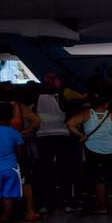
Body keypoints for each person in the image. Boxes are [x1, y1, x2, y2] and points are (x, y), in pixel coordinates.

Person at [0, 83, 41, 222]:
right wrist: (27, 131)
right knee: (25, 180)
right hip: (17, 148)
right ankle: (30, 211)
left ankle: (0, 216)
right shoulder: (20, 107)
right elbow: (37, 120)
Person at [67, 93, 112, 214]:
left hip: (93, 149)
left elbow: (70, 123)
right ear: (107, 104)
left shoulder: (87, 114)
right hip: (111, 149)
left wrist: (81, 135)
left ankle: (102, 207)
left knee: (99, 179)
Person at [34, 72, 72, 213]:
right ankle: (68, 201)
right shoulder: (61, 96)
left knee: (45, 170)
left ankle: (45, 203)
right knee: (64, 169)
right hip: (61, 135)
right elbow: (67, 112)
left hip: (43, 135)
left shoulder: (36, 96)